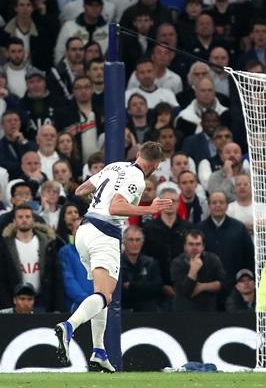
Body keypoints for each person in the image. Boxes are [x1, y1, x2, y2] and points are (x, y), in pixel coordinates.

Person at [54, 142, 172, 373]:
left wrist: (101, 201)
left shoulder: (116, 166)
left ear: (138, 154)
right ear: (157, 165)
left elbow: (80, 190)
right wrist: (150, 209)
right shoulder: (137, 178)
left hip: (84, 230)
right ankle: (69, 326)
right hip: (104, 234)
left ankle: (99, 351)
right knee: (106, 295)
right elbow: (116, 207)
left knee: (100, 292)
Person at [170, 229, 226, 312]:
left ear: (203, 246)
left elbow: (223, 284)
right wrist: (193, 271)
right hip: (183, 312)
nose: (194, 248)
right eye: (191, 244)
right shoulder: (177, 263)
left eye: (198, 244)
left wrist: (202, 287)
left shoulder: (213, 259)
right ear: (184, 246)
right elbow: (185, 291)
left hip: (208, 310)